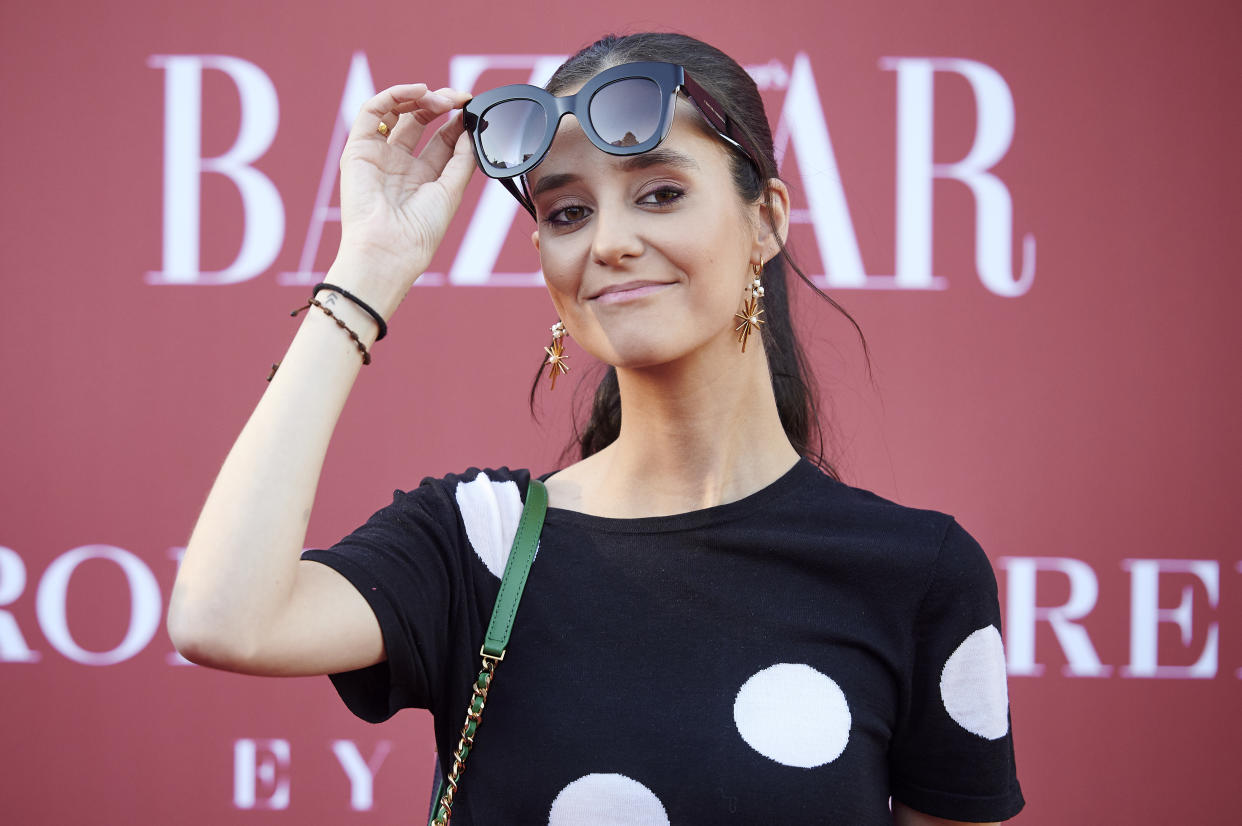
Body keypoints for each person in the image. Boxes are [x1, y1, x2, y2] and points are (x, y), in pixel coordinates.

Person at [169, 32, 1023, 825]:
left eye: (659, 193)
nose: (610, 242)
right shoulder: (480, 542)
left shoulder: (917, 574)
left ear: (765, 220)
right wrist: (370, 267)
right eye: (567, 212)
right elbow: (225, 619)